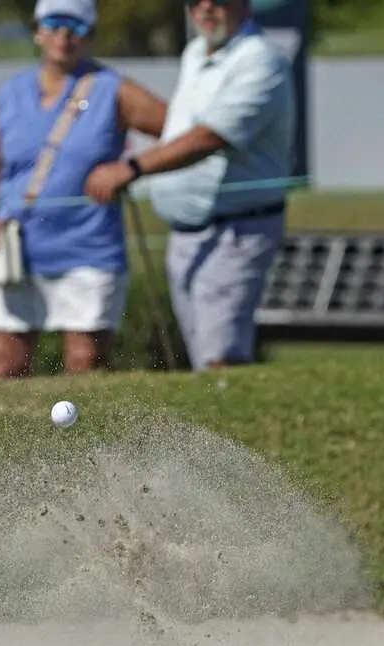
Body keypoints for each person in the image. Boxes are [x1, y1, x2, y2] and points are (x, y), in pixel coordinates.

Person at [0, 0, 168, 380]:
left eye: (76, 27)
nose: (64, 35)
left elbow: (181, 134)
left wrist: (130, 168)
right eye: (55, 24)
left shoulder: (114, 91)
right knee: (5, 362)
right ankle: (9, 441)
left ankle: (89, 441)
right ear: (37, 31)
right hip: (15, 250)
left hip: (88, 250)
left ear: (91, 36)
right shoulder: (9, 96)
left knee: (86, 361)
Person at [85, 0, 296, 372]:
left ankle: (234, 429)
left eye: (218, 0)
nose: (205, 8)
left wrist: (132, 168)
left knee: (222, 358)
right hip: (189, 235)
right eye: (195, 1)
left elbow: (209, 138)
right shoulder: (196, 51)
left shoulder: (259, 59)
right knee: (204, 356)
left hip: (236, 231)